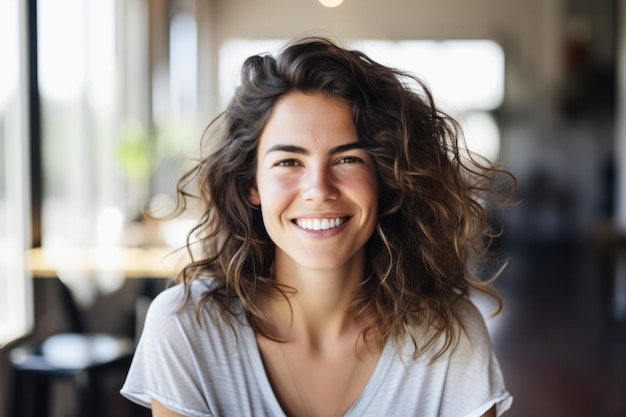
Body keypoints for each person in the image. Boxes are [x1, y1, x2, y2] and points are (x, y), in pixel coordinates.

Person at [121, 36, 515, 417]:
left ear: (385, 178)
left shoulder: (450, 336)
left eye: (348, 160)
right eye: (288, 162)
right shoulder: (186, 327)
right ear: (251, 185)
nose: (319, 190)